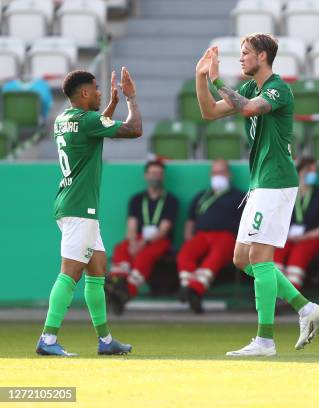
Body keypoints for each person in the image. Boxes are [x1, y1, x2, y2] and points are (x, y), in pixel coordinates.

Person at [196, 33, 319, 357]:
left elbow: (249, 110)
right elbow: (210, 112)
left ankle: (265, 340)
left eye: (245, 53)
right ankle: (305, 307)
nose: (241, 59)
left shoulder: (278, 89)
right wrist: (201, 77)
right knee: (242, 258)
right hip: (261, 183)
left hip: (276, 181)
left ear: (263, 57)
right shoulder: (249, 87)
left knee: (259, 258)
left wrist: (216, 79)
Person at [36, 67, 142, 356]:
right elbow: (134, 130)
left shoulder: (63, 119)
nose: (99, 93)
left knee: (97, 272)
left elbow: (93, 125)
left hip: (70, 203)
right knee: (69, 274)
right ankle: (47, 338)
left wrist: (109, 107)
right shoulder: (89, 121)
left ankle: (105, 341)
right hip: (80, 207)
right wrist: (131, 98)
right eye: (96, 89)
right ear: (84, 93)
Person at [106, 160, 179, 315]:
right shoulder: (136, 199)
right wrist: (133, 242)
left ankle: (126, 293)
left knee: (145, 256)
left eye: (159, 174)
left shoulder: (171, 200)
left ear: (163, 176)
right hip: (138, 238)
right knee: (121, 248)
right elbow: (131, 226)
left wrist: (143, 243)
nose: (156, 177)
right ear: (146, 176)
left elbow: (164, 229)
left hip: (159, 241)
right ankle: (116, 284)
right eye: (152, 173)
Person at [177, 159, 244, 314]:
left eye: (222, 172)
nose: (218, 175)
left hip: (226, 236)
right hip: (201, 235)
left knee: (216, 256)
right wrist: (188, 237)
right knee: (185, 253)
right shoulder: (201, 196)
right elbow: (190, 220)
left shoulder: (240, 196)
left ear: (229, 175)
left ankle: (194, 289)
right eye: (215, 172)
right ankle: (190, 289)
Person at [273, 157, 319, 290]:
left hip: (311, 239)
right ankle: (275, 291)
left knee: (300, 252)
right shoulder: (287, 194)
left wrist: (306, 236)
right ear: (299, 171)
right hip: (288, 238)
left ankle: (290, 294)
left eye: (315, 171)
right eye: (309, 170)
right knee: (277, 251)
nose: (312, 173)